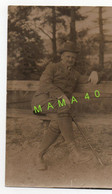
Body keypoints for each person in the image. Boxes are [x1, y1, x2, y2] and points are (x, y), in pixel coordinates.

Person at [31, 41, 99, 170]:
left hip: (57, 108)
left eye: (73, 57)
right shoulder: (52, 67)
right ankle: (74, 153)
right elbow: (44, 84)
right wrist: (61, 95)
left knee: (58, 121)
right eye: (68, 56)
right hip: (40, 103)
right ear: (62, 56)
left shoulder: (75, 74)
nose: (70, 59)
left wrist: (95, 73)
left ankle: (38, 155)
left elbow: (89, 79)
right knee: (64, 108)